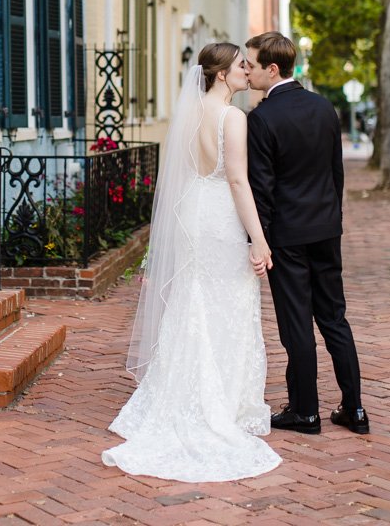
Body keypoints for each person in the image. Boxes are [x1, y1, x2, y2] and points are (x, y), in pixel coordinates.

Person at [102, 42, 282, 482]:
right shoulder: (232, 117)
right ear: (222, 74)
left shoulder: (187, 114)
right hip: (221, 217)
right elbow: (238, 181)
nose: (246, 72)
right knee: (230, 303)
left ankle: (181, 392)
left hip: (192, 216)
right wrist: (259, 241)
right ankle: (221, 403)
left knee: (193, 298)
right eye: (241, 65)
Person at [245, 31, 369, 436]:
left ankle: (306, 412)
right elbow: (337, 174)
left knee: (297, 323)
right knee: (334, 318)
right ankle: (355, 410)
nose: (248, 72)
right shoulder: (323, 108)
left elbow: (261, 189)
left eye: (252, 65)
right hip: (326, 228)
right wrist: (335, 218)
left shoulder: (262, 118)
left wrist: (257, 241)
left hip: (287, 235)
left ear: (273, 68)